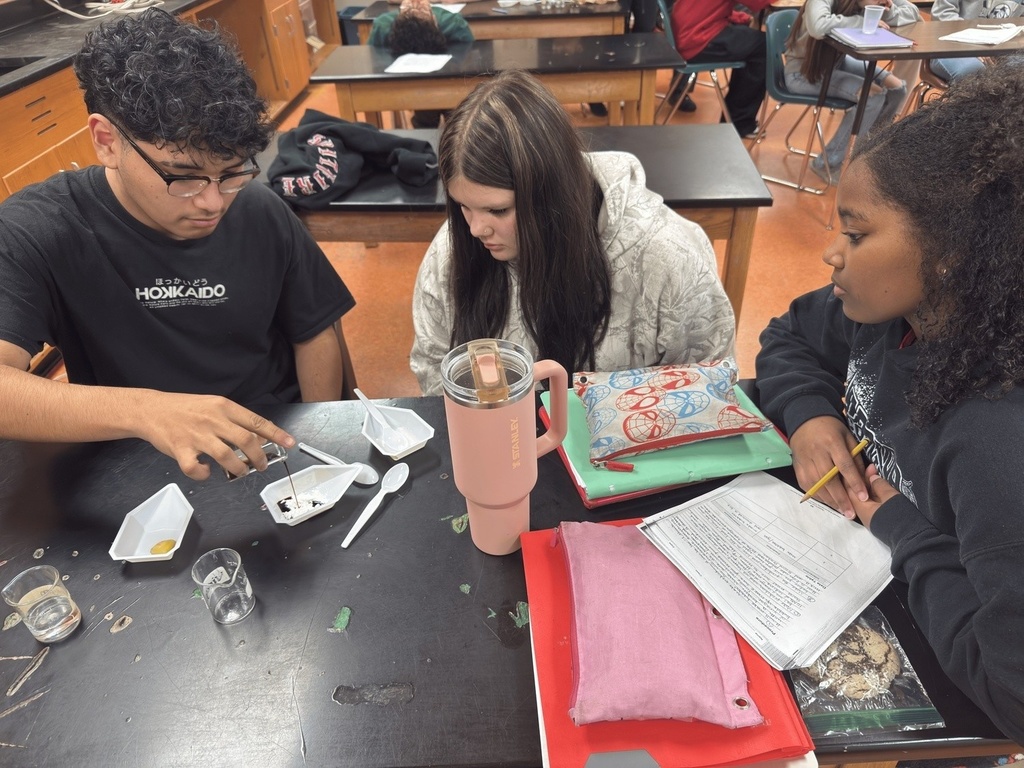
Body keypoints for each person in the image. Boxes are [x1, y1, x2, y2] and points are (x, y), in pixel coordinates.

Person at [755, 61, 1024, 742]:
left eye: (856, 232)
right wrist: (811, 415)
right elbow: (787, 335)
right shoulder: (880, 312)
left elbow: (1013, 698)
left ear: (950, 256)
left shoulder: (998, 449)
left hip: (944, 677)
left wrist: (903, 531)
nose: (830, 256)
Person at [0, 9, 355, 481]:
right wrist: (150, 412)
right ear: (107, 141)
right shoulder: (39, 229)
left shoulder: (257, 209)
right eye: (183, 178)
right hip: (139, 465)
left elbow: (313, 332)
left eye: (230, 173)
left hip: (274, 449)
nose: (212, 202)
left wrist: (317, 444)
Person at [410, 69, 735, 395]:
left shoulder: (667, 258)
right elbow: (435, 366)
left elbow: (709, 384)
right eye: (463, 206)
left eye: (498, 210)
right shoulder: (453, 249)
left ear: (552, 195)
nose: (476, 229)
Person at [784, 0, 919, 185]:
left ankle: (868, 155)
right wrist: (861, 21)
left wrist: (888, 9)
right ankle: (827, 162)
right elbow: (818, 26)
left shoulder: (866, 4)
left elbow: (912, 13)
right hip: (803, 73)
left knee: (898, 88)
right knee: (873, 96)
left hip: (836, 63)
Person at [670, 0, 773, 138]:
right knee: (765, 47)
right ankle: (739, 122)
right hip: (697, 39)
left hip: (687, 32)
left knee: (752, 43)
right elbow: (756, 3)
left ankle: (736, 119)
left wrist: (738, 17)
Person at [369, 0, 474, 128]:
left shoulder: (453, 24)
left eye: (422, 10)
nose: (415, 4)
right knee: (428, 107)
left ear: (435, 20)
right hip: (412, 83)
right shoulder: (383, 26)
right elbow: (373, 59)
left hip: (447, 79)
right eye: (408, 10)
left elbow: (467, 57)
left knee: (450, 105)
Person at [928, 0, 1005, 82]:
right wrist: (975, 45)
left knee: (1017, 66)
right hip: (951, 47)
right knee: (974, 71)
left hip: (1000, 46)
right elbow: (942, 16)